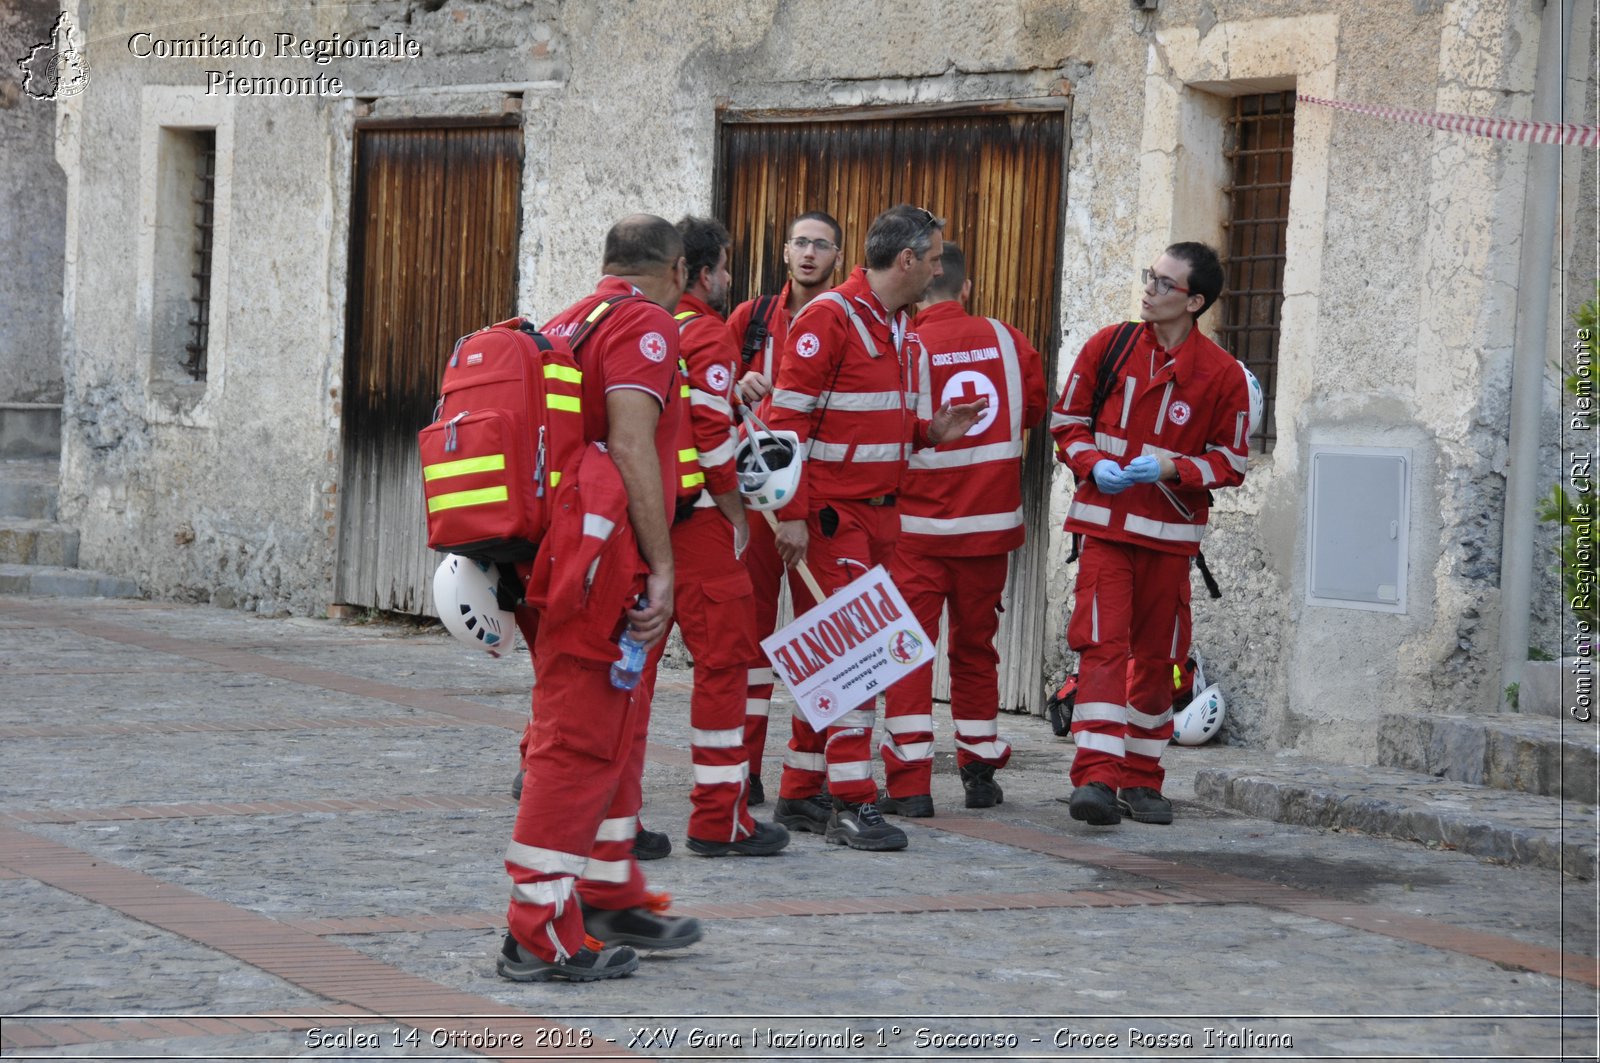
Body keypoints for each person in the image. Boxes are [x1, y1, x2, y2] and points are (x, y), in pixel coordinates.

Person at [497, 214, 702, 983]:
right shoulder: (646, 323)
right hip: (599, 561)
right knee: (576, 744)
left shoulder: (571, 319)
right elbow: (630, 443)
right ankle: (537, 932)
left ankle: (601, 890)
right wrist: (662, 562)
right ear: (677, 269)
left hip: (561, 560)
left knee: (605, 733)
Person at [763, 204, 988, 852]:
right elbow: (787, 426)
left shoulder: (895, 327)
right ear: (909, 260)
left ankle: (802, 790)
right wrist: (796, 517)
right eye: (937, 257)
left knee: (835, 655)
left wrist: (930, 431)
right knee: (855, 658)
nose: (942, 270)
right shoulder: (831, 318)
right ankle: (852, 801)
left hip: (879, 515)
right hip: (836, 518)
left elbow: (871, 423)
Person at [1049, 241, 1248, 828]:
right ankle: (1095, 778)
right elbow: (1066, 422)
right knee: (1103, 650)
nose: (1149, 290)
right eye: (1150, 277)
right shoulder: (1108, 346)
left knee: (1160, 662)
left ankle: (1142, 781)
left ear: (1195, 302)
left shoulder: (1221, 374)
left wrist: (1172, 469)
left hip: (1170, 541)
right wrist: (1090, 463)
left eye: (1164, 284)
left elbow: (1231, 462)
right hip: (1105, 531)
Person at [633, 215, 788, 856]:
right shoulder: (707, 333)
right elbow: (712, 440)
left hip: (632, 523)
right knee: (725, 666)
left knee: (627, 671)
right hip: (695, 525)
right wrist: (736, 514)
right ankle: (719, 820)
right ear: (701, 272)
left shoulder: (636, 330)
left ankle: (614, 817)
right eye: (724, 267)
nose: (729, 279)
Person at [877, 244, 1048, 818]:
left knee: (908, 654)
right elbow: (1030, 411)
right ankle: (978, 771)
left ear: (916, 282)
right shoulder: (1008, 339)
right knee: (976, 650)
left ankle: (910, 785)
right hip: (988, 532)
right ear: (965, 286)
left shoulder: (902, 344)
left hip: (917, 533)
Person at [724, 210, 844, 807]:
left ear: (838, 258)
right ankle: (741, 770)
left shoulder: (849, 319)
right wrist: (735, 385)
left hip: (822, 507)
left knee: (821, 639)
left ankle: (808, 772)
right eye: (800, 242)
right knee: (748, 643)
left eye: (820, 245)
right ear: (785, 251)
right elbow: (703, 388)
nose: (808, 254)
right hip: (756, 504)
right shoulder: (751, 319)